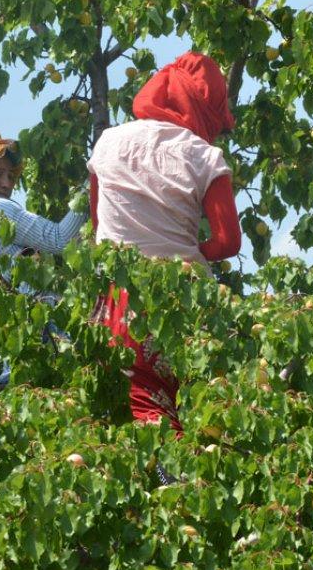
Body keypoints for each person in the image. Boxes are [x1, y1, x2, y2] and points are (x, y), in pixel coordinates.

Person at [87, 51, 242, 431]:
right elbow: (227, 242)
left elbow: (98, 226)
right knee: (196, 415)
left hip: (114, 302)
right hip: (182, 301)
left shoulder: (107, 142)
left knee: (127, 409)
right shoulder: (205, 156)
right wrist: (187, 252)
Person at [0, 132, 89, 385]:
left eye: (11, 177)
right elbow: (60, 239)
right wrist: (93, 182)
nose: (6, 184)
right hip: (43, 332)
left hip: (5, 348)